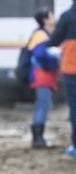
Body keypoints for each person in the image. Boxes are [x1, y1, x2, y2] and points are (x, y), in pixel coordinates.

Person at [46, 0, 76, 156]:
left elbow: (54, 40)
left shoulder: (66, 16)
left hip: (72, 70)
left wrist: (43, 43)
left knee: (74, 108)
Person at [28, 8, 60, 148]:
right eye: (52, 15)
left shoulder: (46, 33)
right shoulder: (41, 35)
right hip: (42, 75)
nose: (54, 17)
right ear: (45, 20)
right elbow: (40, 54)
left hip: (45, 75)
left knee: (43, 105)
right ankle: (38, 139)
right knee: (43, 105)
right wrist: (54, 56)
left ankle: (39, 138)